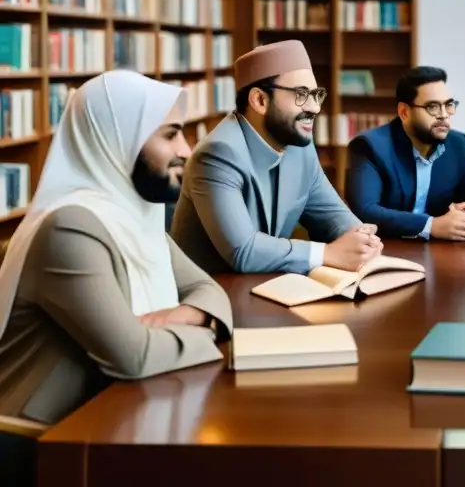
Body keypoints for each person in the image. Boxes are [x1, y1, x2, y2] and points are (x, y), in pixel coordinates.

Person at [0, 71, 232, 425]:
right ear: (116, 139)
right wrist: (212, 335)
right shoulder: (69, 228)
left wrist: (193, 314)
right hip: (41, 438)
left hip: (109, 411)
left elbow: (208, 291)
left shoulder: (133, 215)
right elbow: (134, 356)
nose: (186, 150)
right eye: (170, 134)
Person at [170, 40, 381, 274]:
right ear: (260, 100)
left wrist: (361, 239)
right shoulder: (217, 154)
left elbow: (332, 214)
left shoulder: (300, 145)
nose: (315, 108)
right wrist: (327, 253)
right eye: (301, 94)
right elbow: (244, 251)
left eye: (316, 95)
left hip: (264, 288)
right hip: (210, 296)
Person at [345, 66, 465, 240]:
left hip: (443, 254)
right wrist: (432, 225)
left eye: (448, 105)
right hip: (385, 249)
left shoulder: (459, 144)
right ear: (404, 112)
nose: (443, 115)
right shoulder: (369, 146)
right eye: (432, 107)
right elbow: (365, 210)